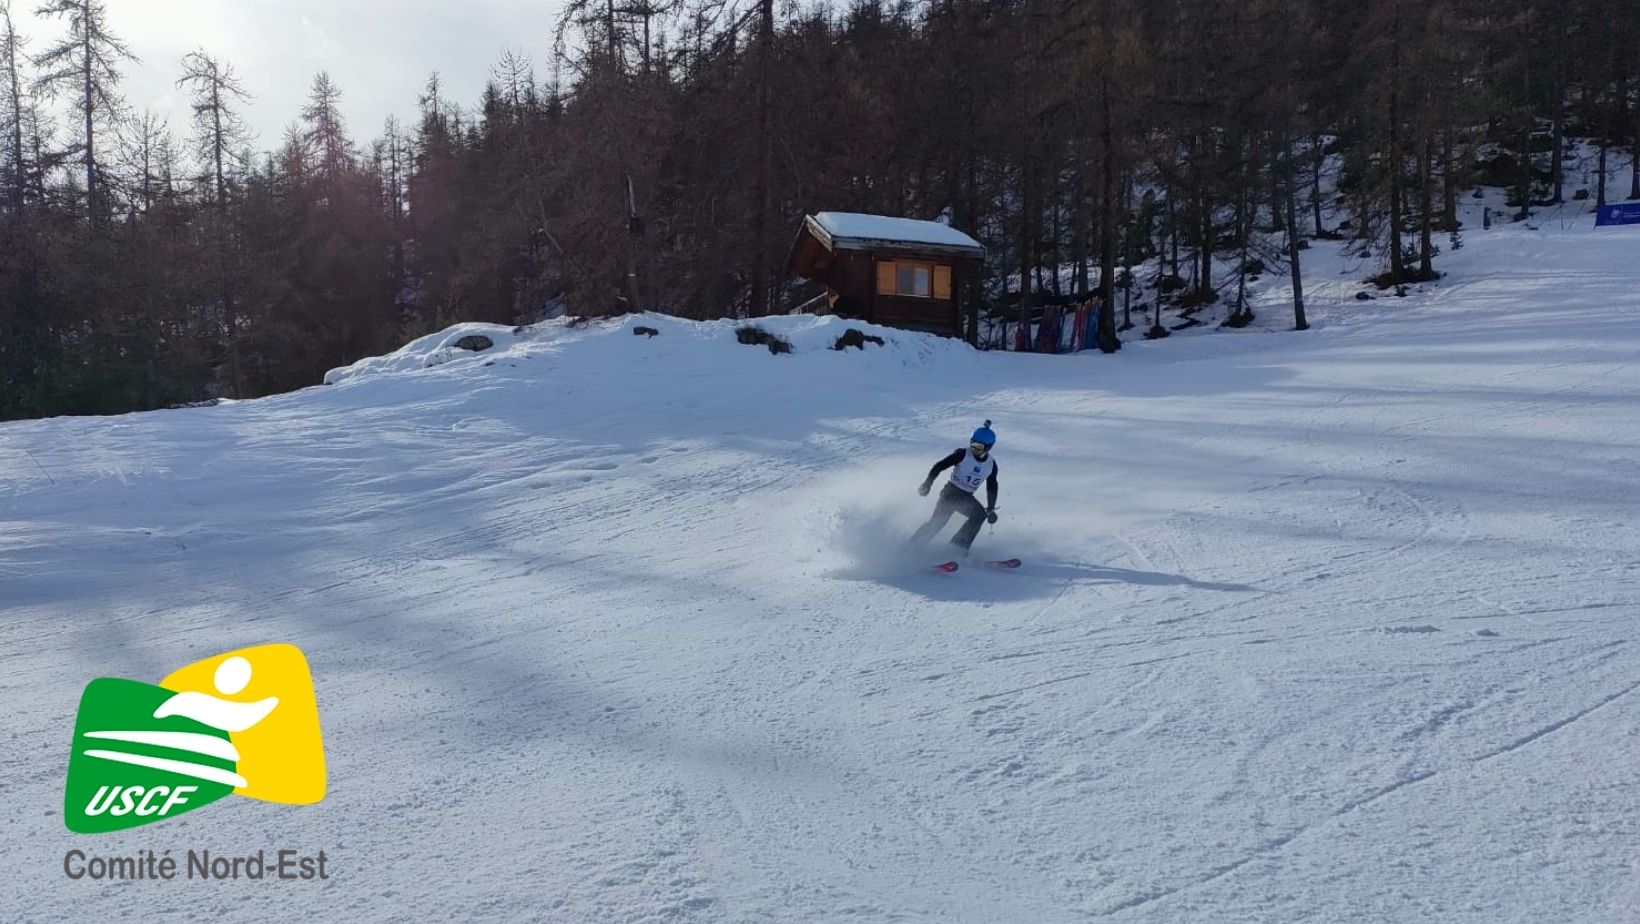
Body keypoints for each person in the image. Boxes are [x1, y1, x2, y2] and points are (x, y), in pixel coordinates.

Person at [909, 420, 1000, 558]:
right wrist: (928, 483)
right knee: (938, 522)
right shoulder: (962, 454)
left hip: (967, 496)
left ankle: (957, 548)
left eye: (979, 447)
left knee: (979, 516)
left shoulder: (991, 465)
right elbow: (939, 466)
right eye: (973, 445)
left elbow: (992, 486)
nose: (974, 449)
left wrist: (991, 508)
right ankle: (910, 548)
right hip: (951, 493)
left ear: (988, 448)